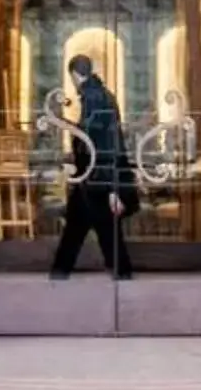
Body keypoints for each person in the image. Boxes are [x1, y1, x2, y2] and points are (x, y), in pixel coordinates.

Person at [49, 55, 136, 281]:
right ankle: (62, 270)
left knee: (95, 227)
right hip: (95, 174)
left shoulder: (93, 97)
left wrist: (110, 186)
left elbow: (97, 140)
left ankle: (62, 272)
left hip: (95, 174)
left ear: (74, 75)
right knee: (85, 225)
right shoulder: (102, 95)